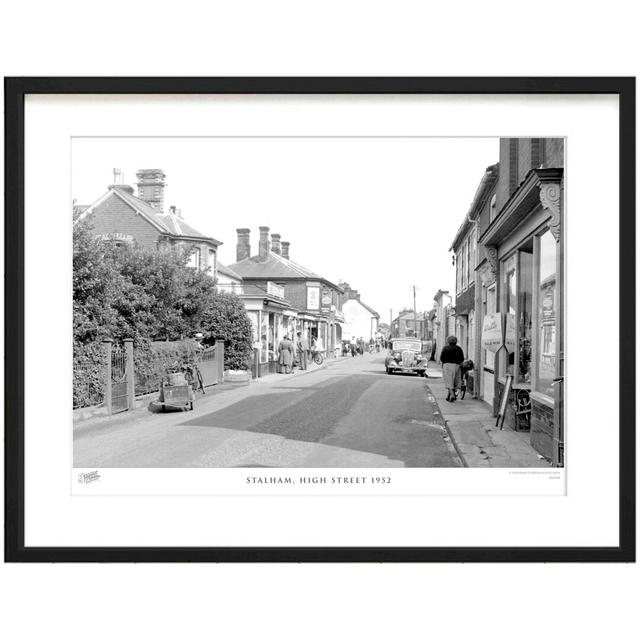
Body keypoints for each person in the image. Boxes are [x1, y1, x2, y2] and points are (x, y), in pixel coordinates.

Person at [439, 335, 465, 402]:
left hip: (447, 365)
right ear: (456, 341)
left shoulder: (445, 348)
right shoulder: (459, 348)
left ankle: (453, 396)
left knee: (449, 381)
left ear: (448, 341)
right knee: (456, 380)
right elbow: (462, 358)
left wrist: (444, 363)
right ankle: (452, 394)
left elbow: (442, 358)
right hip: (457, 366)